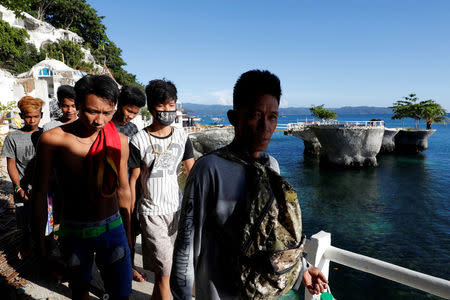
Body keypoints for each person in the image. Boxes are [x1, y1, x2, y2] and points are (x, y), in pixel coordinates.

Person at [171, 70, 328, 299]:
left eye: (272, 116)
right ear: (234, 117)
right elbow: (186, 247)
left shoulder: (271, 167)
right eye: (256, 115)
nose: (265, 126)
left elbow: (275, 236)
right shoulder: (209, 170)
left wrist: (302, 269)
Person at [31, 75, 133, 300]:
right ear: (77, 104)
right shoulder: (53, 140)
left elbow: (124, 191)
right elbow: (39, 194)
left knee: (122, 293)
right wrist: (42, 249)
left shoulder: (120, 142)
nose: (99, 120)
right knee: (79, 292)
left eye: (107, 113)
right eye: (92, 111)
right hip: (74, 229)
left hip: (112, 227)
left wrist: (128, 238)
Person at [128, 79, 195, 300]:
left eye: (171, 104)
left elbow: (192, 171)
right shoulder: (138, 140)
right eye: (162, 105)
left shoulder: (182, 136)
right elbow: (133, 180)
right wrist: (129, 214)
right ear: (151, 106)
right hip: (151, 212)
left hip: (177, 210)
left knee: (162, 275)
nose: (167, 110)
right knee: (166, 273)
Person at [112, 85, 146, 282]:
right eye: (129, 110)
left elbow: (136, 164)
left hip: (130, 187)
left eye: (135, 113)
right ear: (119, 105)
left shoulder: (133, 129)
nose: (131, 116)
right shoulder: (106, 125)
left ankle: (129, 266)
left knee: (130, 228)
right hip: (108, 189)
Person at [1, 96, 44, 257]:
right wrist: (18, 187)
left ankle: (43, 248)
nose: (32, 120)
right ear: (21, 116)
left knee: (44, 219)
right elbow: (11, 164)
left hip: (43, 187)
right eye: (28, 116)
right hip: (22, 188)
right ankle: (26, 245)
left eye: (36, 116)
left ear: (41, 115)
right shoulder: (13, 138)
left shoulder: (46, 135)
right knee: (25, 220)